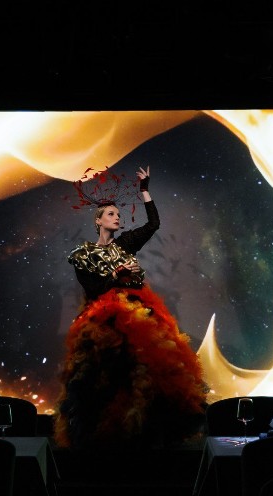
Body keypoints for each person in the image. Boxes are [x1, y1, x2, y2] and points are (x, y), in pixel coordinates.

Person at [54, 165, 208, 453]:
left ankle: (147, 435)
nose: (118, 217)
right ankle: (103, 439)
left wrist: (144, 190)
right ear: (98, 220)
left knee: (148, 370)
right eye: (111, 214)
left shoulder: (125, 244)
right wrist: (117, 273)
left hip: (137, 312)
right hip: (103, 321)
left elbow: (153, 224)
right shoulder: (85, 253)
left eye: (118, 214)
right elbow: (92, 288)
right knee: (104, 377)